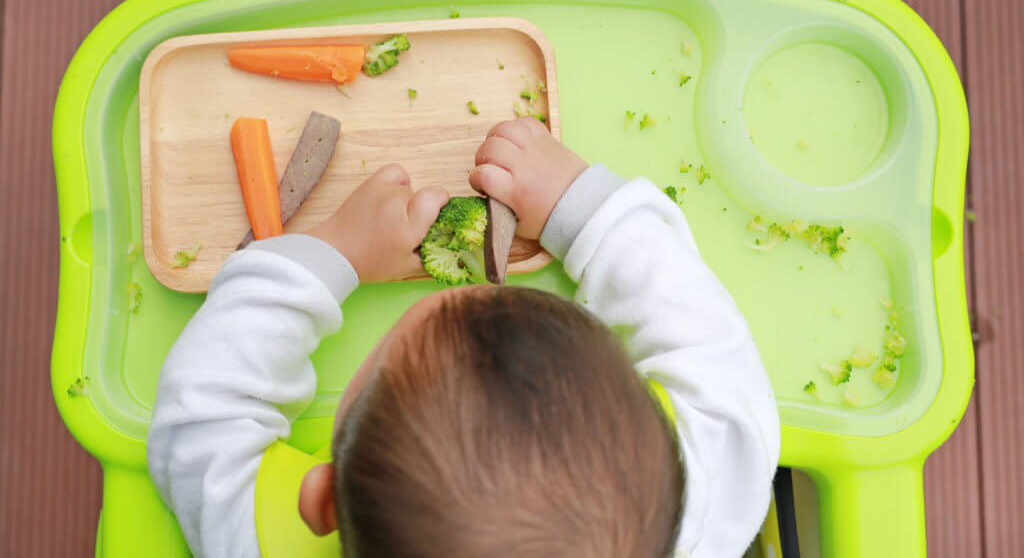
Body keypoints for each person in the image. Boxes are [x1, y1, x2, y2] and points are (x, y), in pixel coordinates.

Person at [147, 116, 780, 557]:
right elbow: (709, 346)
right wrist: (577, 207)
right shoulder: (699, 510)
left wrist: (332, 253)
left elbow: (204, 414)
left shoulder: (262, 542)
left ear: (322, 504)